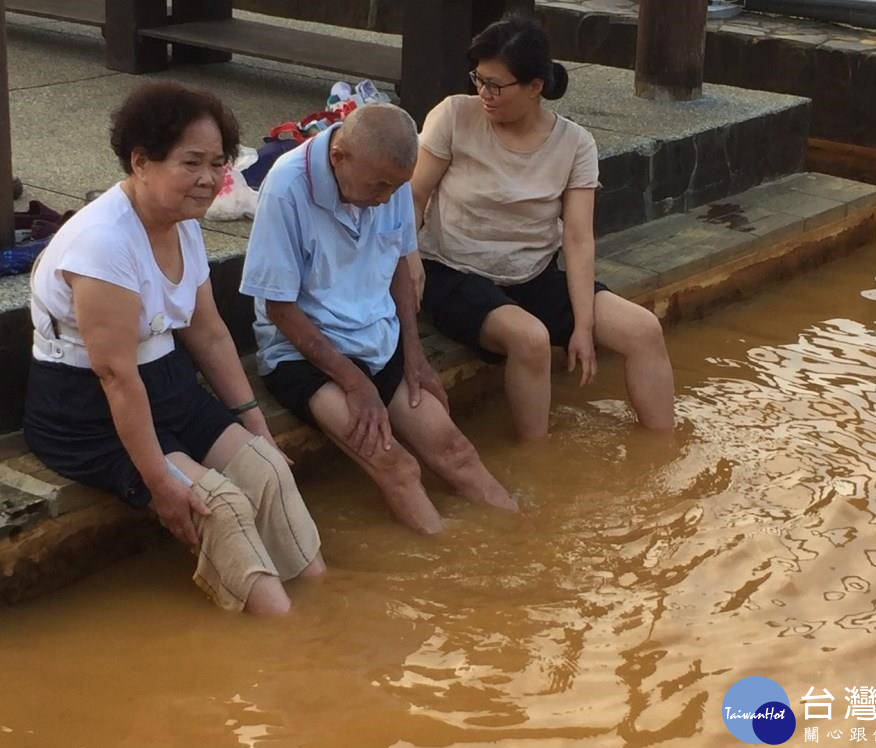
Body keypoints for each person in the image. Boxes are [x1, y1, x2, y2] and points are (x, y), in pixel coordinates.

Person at [23, 83, 325, 615]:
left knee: (268, 470)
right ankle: (288, 639)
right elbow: (116, 377)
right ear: (141, 161)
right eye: (191, 162)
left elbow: (208, 333)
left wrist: (257, 428)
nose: (209, 180)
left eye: (217, 163)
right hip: (86, 408)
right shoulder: (102, 244)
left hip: (166, 381)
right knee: (219, 506)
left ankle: (325, 606)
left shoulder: (182, 223)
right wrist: (162, 483)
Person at [239, 103, 516, 536]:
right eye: (379, 186)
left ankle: (522, 540)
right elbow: (279, 308)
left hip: (376, 338)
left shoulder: (391, 178)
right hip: (303, 354)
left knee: (456, 450)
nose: (387, 198)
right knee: (397, 466)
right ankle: (451, 567)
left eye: (396, 187)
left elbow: (399, 268)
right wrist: (353, 382)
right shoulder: (285, 189)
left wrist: (414, 355)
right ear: (339, 158)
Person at [411, 15, 676, 441]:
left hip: (532, 275)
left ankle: (664, 449)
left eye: (496, 85)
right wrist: (407, 256)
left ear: (535, 87)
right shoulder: (454, 115)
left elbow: (577, 238)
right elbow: (415, 195)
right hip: (454, 272)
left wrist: (584, 328)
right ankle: (538, 460)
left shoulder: (575, 143)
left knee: (643, 329)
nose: (484, 94)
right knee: (530, 338)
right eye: (479, 80)